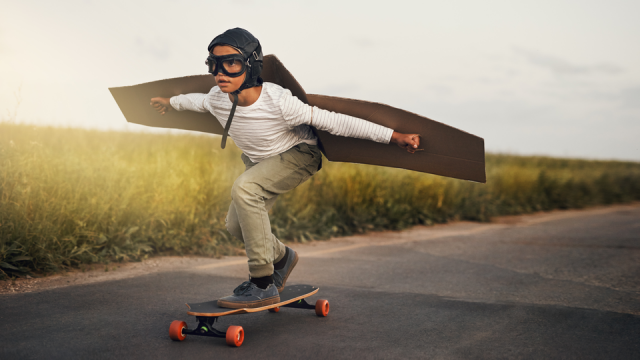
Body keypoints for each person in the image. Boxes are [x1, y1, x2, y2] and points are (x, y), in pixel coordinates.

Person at [150, 28, 420, 309]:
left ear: (251, 64)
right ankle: (281, 258)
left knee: (245, 189)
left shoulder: (279, 102)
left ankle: (262, 284)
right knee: (235, 224)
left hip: (299, 154)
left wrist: (393, 136)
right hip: (260, 163)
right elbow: (196, 101)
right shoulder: (217, 98)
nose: (221, 72)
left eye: (231, 63)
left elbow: (336, 121)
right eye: (214, 64)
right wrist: (169, 103)